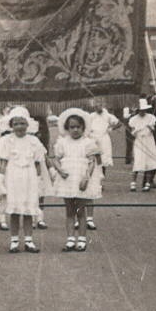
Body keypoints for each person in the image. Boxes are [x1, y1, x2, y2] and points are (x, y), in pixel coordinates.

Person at [51, 108, 102, 252]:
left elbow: (92, 162)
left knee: (81, 211)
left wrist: (86, 178)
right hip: (67, 179)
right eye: (72, 127)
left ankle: (82, 239)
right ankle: (70, 239)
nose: (75, 130)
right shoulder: (62, 142)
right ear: (67, 128)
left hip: (81, 179)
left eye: (78, 127)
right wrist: (60, 171)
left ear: (83, 127)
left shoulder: (87, 143)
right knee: (69, 211)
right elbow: (55, 159)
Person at [0, 106, 47, 253]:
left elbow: (38, 162)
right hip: (12, 177)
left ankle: (28, 240)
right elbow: (3, 162)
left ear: (28, 125)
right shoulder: (6, 140)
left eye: (22, 123)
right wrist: (1, 179)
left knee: (28, 210)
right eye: (16, 124)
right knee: (14, 210)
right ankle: (14, 241)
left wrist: (38, 181)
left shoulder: (33, 141)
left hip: (29, 177)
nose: (19, 127)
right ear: (11, 125)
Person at [85, 99, 120, 230]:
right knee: (93, 158)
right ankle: (96, 177)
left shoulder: (107, 115)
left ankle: (101, 179)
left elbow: (118, 123)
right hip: (94, 138)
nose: (97, 107)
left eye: (100, 105)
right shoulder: (91, 116)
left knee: (103, 159)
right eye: (95, 106)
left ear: (103, 105)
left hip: (104, 138)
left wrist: (110, 129)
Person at [129, 98, 156, 191]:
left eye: (143, 110)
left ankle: (147, 183)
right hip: (139, 140)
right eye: (140, 110)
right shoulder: (133, 119)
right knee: (138, 161)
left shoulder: (151, 118)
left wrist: (150, 127)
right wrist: (137, 130)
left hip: (149, 140)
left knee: (149, 161)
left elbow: (153, 130)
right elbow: (132, 133)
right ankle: (133, 183)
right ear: (137, 110)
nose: (142, 112)